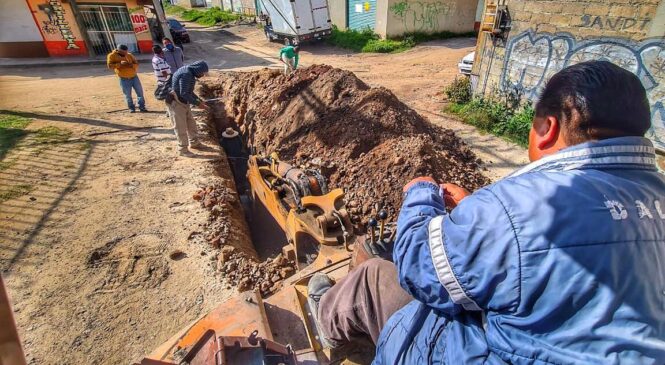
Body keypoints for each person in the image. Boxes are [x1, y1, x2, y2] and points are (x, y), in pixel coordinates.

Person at [308, 60, 665, 364]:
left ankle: (324, 321)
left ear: (546, 129)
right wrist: (480, 209)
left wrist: (419, 193)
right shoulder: (652, 192)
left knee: (371, 277)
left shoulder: (520, 205)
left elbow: (419, 266)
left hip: (477, 353)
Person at [169, 60, 210, 156]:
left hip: (183, 101)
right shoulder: (186, 74)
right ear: (198, 69)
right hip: (177, 102)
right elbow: (184, 93)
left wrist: (198, 100)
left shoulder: (190, 72)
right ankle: (183, 150)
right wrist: (198, 104)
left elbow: (189, 91)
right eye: (202, 73)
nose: (202, 75)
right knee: (180, 127)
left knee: (191, 123)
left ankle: (195, 143)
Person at [106, 44, 146, 113]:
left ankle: (142, 107)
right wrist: (120, 64)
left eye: (126, 52)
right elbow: (110, 66)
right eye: (123, 52)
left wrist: (131, 65)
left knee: (140, 93)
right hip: (124, 78)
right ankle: (131, 108)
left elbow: (136, 64)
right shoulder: (112, 56)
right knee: (127, 94)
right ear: (118, 51)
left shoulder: (129, 55)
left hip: (134, 77)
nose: (125, 53)